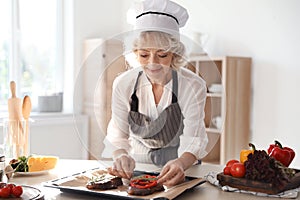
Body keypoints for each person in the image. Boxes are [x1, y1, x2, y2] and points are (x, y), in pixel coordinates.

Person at [102, 0, 208, 186]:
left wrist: (181, 163)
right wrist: (121, 155)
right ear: (135, 54)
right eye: (144, 55)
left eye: (162, 54)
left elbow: (194, 138)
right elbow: (118, 135)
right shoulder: (124, 84)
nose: (153, 63)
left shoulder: (193, 85)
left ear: (175, 54)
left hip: (182, 168)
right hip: (138, 168)